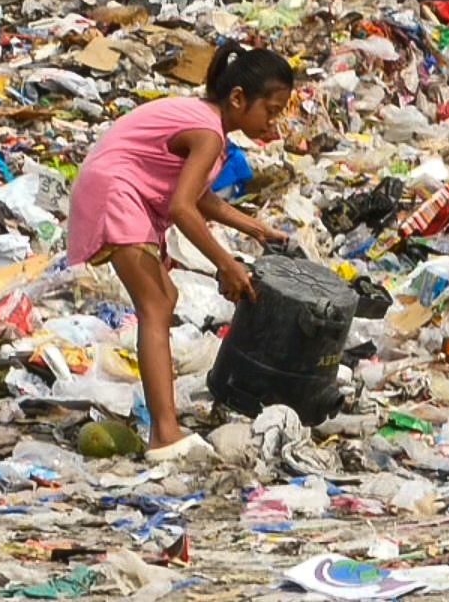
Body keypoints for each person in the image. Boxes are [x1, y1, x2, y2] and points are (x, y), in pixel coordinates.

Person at [67, 43, 293, 461]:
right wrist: (227, 263)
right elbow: (182, 208)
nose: (272, 123)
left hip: (120, 190)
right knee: (155, 305)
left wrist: (256, 228)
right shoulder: (208, 133)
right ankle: (164, 435)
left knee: (164, 298)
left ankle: (164, 425)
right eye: (271, 110)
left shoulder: (207, 125)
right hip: (115, 193)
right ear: (238, 98)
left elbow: (200, 197)